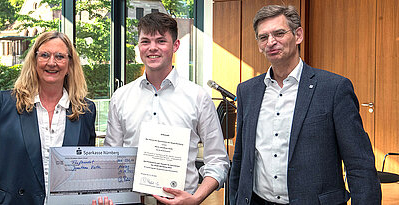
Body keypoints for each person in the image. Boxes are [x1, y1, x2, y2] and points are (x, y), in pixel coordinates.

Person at [228, 5, 381, 205]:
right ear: (258, 44)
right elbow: (240, 159)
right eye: (263, 37)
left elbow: (359, 165)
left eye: (279, 33)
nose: (271, 42)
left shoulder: (334, 89)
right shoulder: (247, 91)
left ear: (298, 35)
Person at [0, 31, 96, 204]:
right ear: (34, 60)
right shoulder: (6, 103)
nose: (52, 62)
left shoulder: (85, 111)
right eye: (44, 55)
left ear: (70, 65)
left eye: (60, 56)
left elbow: (84, 172)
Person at [105, 12, 230, 205]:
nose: (152, 48)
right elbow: (112, 158)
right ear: (138, 46)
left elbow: (218, 161)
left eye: (161, 41)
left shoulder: (197, 97)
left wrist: (195, 198)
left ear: (175, 45)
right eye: (145, 41)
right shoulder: (121, 97)